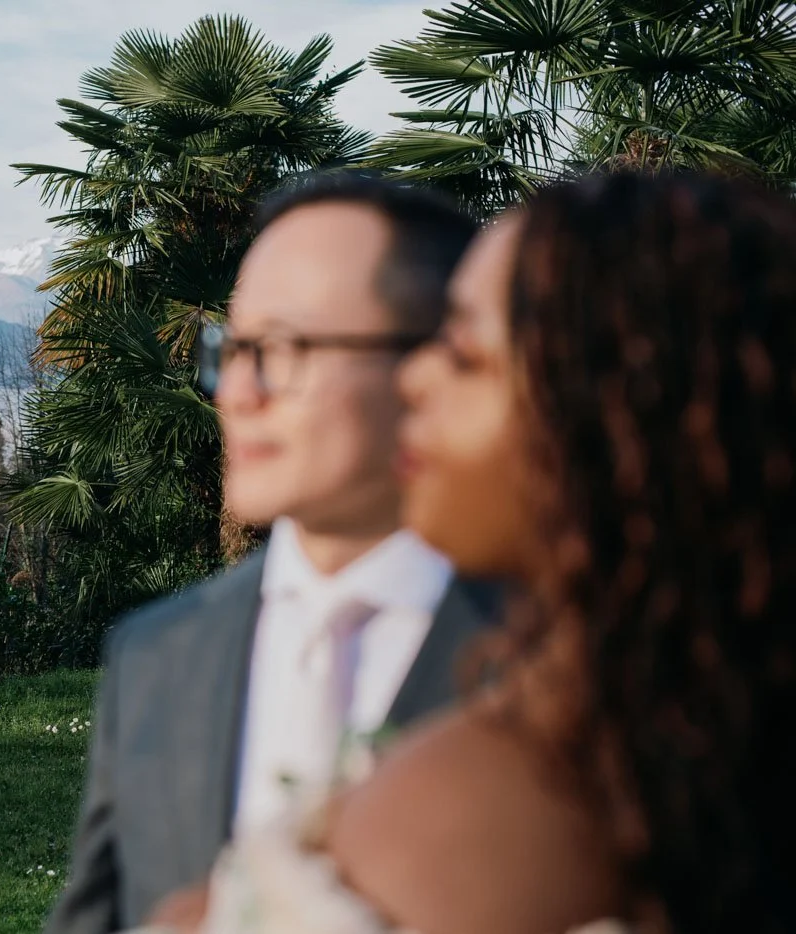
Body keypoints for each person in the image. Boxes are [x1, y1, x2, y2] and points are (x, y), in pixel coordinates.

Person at [143, 171, 796, 933]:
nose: (413, 378)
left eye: (462, 355)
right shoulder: (717, 747)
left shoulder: (447, 823)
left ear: (607, 422)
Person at [43, 173, 489, 934]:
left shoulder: (573, 658)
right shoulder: (156, 656)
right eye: (234, 348)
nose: (238, 393)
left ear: (427, 369)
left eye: (284, 348)